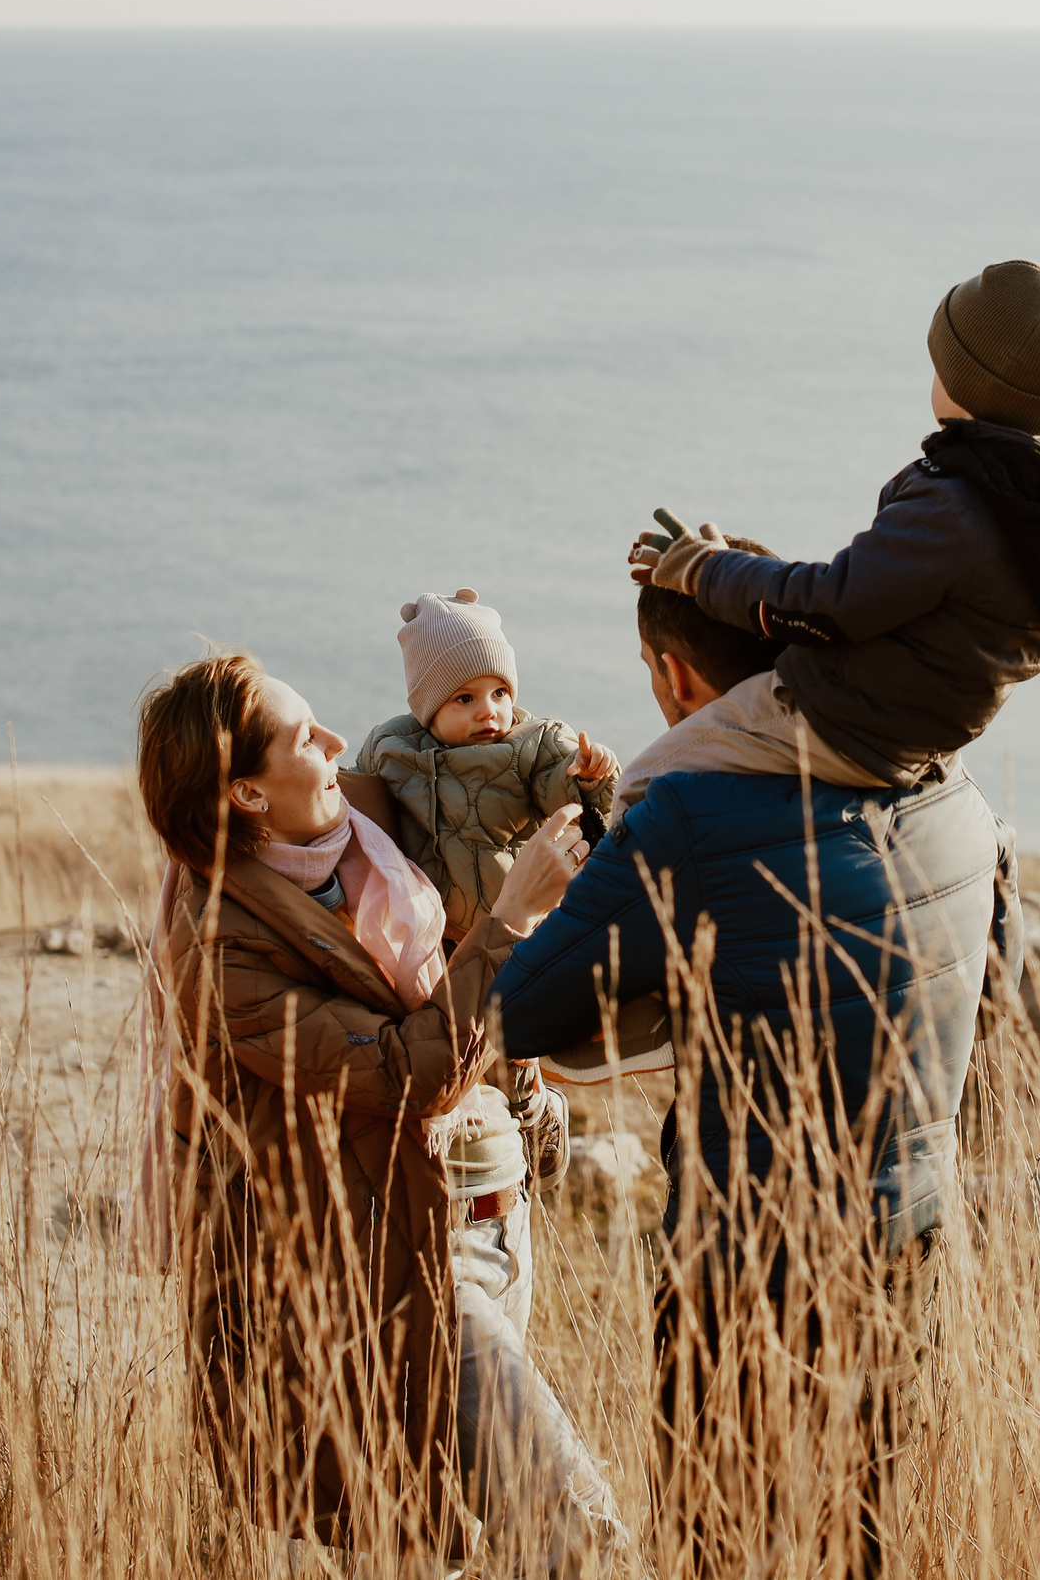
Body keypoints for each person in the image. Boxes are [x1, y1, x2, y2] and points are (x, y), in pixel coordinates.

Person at [486, 576, 1025, 1576]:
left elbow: (519, 1011)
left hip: (745, 1261)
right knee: (859, 1541)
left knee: (718, 1548)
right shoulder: (951, 783)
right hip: (908, 1238)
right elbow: (992, 992)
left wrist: (528, 904)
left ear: (676, 674)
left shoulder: (686, 813)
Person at [131, 651, 627, 1576]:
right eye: (302, 737)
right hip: (395, 1262)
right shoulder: (225, 949)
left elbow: (490, 774)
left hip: (494, 1214)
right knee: (572, 1525)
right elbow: (404, 1072)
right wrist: (512, 917)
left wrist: (576, 775)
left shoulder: (366, 821)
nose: (333, 741)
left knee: (479, 1537)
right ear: (246, 793)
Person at [627, 258, 1040, 793]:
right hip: (923, 734)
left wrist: (706, 571)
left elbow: (832, 605)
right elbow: (898, 604)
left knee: (646, 780)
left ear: (969, 387)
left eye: (940, 366)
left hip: (842, 724)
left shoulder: (957, 506)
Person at [352, 588, 620, 944]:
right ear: (427, 708)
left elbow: (561, 790)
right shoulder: (392, 749)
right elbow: (353, 798)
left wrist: (588, 776)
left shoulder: (534, 745)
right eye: (465, 698)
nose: (488, 711)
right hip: (432, 933)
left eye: (499, 693)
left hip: (524, 924)